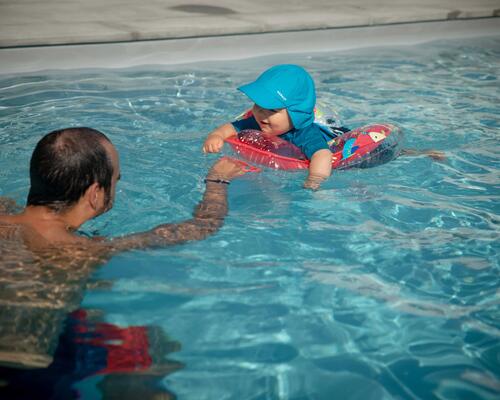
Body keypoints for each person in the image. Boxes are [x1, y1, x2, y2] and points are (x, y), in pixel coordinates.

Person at [0, 127, 247, 386]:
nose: (116, 184)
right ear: (95, 194)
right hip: (23, 371)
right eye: (116, 179)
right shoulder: (80, 252)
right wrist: (218, 181)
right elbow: (203, 226)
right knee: (151, 346)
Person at [202, 64, 445, 190]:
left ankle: (421, 152)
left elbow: (322, 154)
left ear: (295, 113)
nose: (261, 115)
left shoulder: (305, 134)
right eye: (258, 106)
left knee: (388, 155)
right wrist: (216, 136)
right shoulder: (259, 121)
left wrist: (314, 180)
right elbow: (231, 128)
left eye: (272, 110)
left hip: (342, 145)